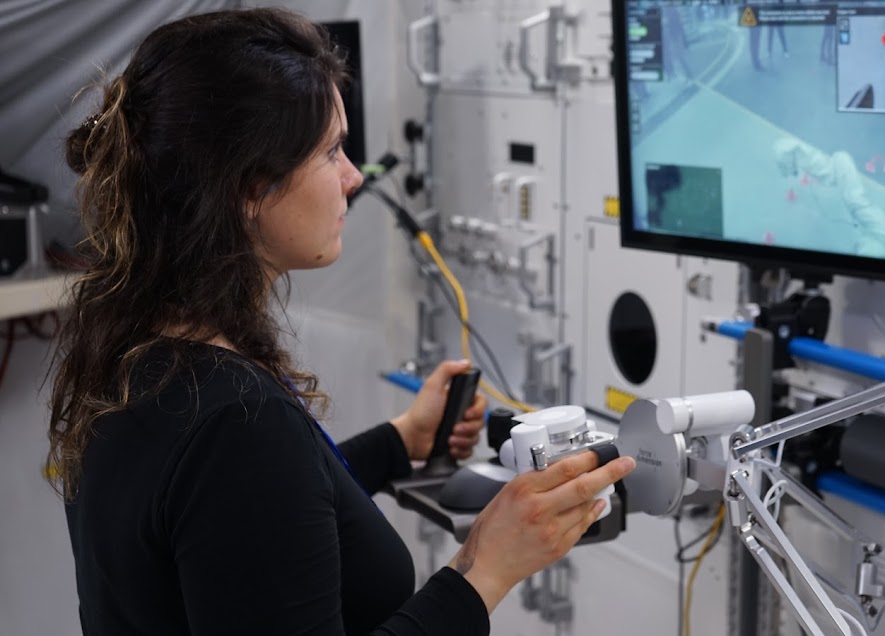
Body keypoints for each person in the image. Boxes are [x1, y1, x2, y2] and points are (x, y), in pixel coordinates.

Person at [48, 8, 635, 636]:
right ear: (250, 187)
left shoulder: (141, 352)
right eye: (331, 151)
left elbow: (253, 529)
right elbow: (249, 480)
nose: (354, 176)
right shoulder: (237, 423)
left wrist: (399, 441)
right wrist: (485, 568)